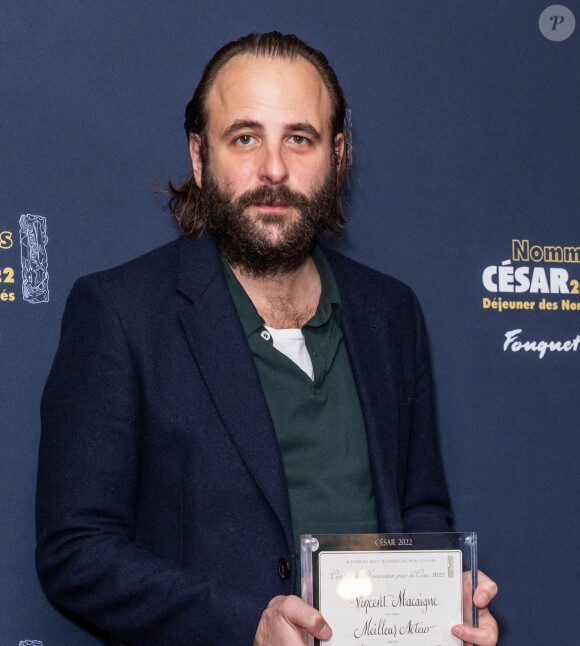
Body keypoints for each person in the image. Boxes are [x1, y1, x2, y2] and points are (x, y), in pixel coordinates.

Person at [36, 32, 498, 646]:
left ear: (338, 156)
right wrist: (246, 625)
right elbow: (77, 551)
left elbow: (421, 512)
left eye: (299, 139)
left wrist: (448, 601)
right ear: (200, 159)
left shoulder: (391, 313)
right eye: (245, 137)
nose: (274, 169)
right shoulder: (120, 312)